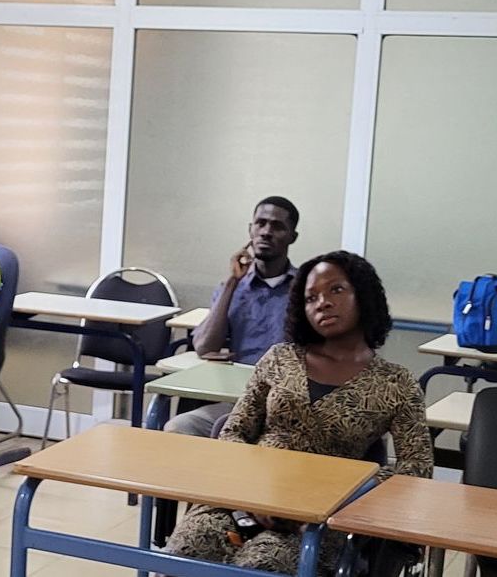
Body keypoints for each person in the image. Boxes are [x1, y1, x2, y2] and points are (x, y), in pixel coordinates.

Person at [166, 250, 433, 575]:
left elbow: (417, 468)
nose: (322, 302)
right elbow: (234, 430)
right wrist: (251, 492)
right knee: (187, 548)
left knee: (264, 565)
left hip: (320, 518)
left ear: (363, 295)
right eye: (311, 297)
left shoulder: (396, 383)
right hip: (243, 499)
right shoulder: (280, 358)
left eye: (336, 290)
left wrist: (350, 492)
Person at [165, 196, 299, 437]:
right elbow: (205, 347)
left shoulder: (306, 290)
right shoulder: (233, 287)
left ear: (292, 237)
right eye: (260, 223)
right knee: (179, 427)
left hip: (286, 402)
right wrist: (233, 282)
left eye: (277, 226)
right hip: (235, 399)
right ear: (250, 230)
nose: (266, 232)